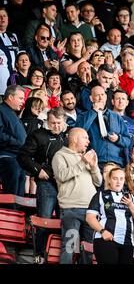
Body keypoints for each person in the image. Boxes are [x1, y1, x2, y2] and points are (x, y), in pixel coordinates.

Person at [17, 107, 67, 262]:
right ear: (47, 122)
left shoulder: (70, 136)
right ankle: (39, 255)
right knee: (44, 219)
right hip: (47, 184)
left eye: (59, 123)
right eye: (53, 123)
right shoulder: (38, 135)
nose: (56, 126)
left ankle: (60, 255)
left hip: (66, 185)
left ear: (64, 122)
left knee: (64, 221)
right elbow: (22, 156)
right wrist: (37, 170)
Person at [51, 128, 102, 264]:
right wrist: (82, 163)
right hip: (71, 209)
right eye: (85, 138)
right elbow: (62, 176)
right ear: (74, 139)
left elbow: (99, 182)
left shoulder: (84, 157)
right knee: (69, 246)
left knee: (88, 249)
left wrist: (94, 166)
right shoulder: (59, 155)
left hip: (90, 210)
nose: (88, 141)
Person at [86, 167, 134, 264]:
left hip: (127, 242)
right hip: (106, 240)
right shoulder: (100, 195)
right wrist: (102, 231)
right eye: (115, 178)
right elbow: (90, 218)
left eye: (121, 178)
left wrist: (130, 205)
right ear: (109, 180)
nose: (118, 182)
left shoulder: (131, 197)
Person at [75, 85, 132, 168]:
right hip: (95, 163)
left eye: (102, 95)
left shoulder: (116, 117)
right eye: (97, 95)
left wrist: (118, 139)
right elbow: (78, 132)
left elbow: (127, 140)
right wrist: (94, 112)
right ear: (91, 98)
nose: (100, 98)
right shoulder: (83, 116)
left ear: (106, 97)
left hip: (116, 162)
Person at [0, 85, 26, 196]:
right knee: (11, 194)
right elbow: (0, 134)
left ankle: (17, 212)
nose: (23, 101)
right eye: (20, 98)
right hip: (7, 157)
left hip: (17, 157)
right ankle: (9, 213)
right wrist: (18, 143)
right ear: (10, 97)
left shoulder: (12, 112)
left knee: (19, 193)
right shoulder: (1, 110)